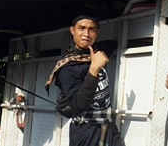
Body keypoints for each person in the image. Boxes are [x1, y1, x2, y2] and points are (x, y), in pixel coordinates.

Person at [45, 15, 122, 146]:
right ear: (72, 30)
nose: (86, 34)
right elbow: (78, 105)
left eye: (91, 29)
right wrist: (93, 70)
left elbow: (110, 44)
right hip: (85, 131)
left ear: (97, 32)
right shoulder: (68, 67)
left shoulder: (97, 53)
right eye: (81, 28)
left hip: (109, 128)